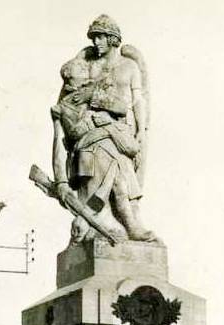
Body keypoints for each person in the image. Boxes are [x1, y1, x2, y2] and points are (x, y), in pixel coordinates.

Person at [51, 15, 157, 242]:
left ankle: (126, 222)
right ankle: (108, 222)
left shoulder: (129, 67)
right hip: (90, 132)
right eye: (94, 38)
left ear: (112, 39)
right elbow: (70, 98)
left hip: (118, 130)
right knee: (107, 158)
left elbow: (137, 100)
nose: (96, 42)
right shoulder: (87, 66)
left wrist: (141, 129)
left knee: (118, 163)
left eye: (100, 37)